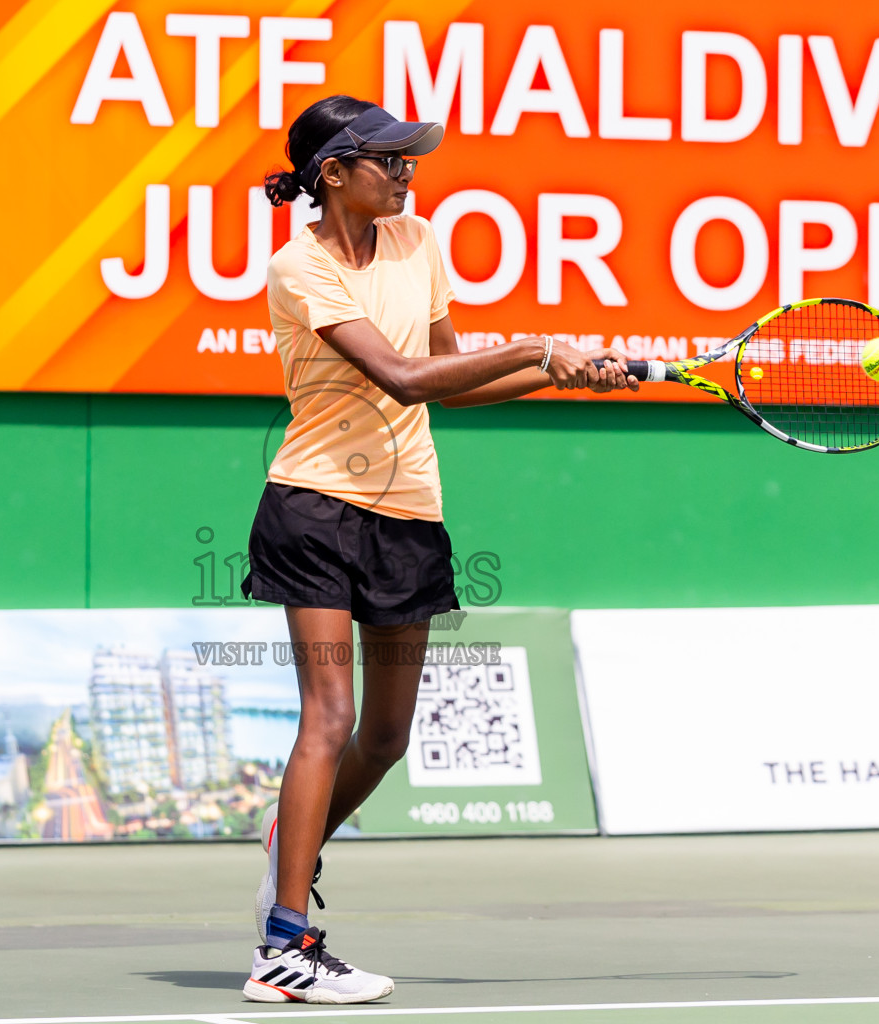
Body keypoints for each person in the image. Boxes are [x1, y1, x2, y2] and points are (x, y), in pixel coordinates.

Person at [238, 95, 637, 1004]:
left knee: (385, 736)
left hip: (410, 514)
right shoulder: (300, 269)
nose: (407, 173)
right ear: (332, 174)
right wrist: (536, 342)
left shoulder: (419, 243)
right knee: (330, 717)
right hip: (315, 508)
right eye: (388, 160)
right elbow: (405, 377)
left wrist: (562, 376)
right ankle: (284, 949)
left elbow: (454, 384)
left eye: (410, 158)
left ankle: (287, 848)